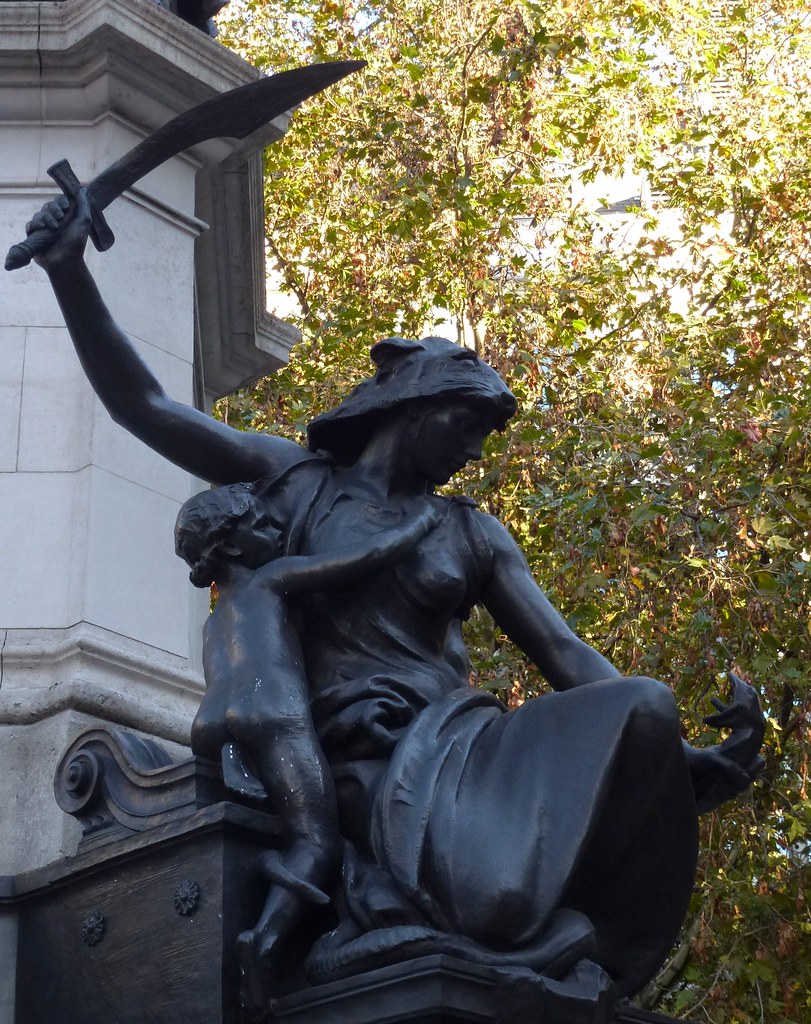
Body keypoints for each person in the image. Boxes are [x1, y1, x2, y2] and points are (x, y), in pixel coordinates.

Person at [28, 192, 763, 1007]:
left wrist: (669, 754)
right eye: (464, 423)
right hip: (354, 749)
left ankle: (553, 937)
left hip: (460, 738)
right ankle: (461, 927)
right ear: (412, 409)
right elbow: (145, 407)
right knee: (493, 898)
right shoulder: (296, 483)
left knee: (640, 705)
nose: (474, 449)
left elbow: (562, 653)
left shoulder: (471, 531)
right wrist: (68, 273)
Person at [174, 480, 441, 1000]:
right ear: (231, 546)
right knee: (316, 840)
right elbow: (366, 558)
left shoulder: (213, 621)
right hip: (269, 709)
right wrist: (422, 523)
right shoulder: (270, 581)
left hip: (211, 724)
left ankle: (253, 814)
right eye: (260, 523)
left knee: (279, 816)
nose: (276, 528)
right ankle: (264, 939)